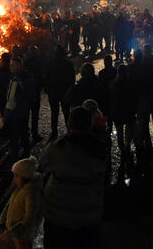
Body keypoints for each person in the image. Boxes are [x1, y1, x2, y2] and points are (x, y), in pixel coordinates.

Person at [40, 106, 107, 249]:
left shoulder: (58, 148)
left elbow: (43, 166)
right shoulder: (100, 149)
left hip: (58, 216)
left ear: (69, 124)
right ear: (90, 125)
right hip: (89, 215)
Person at [3, 56, 34, 160]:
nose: (10, 66)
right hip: (12, 110)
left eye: (12, 65)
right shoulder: (13, 76)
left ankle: (21, 156)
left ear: (19, 65)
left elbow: (28, 94)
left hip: (19, 111)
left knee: (21, 133)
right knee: (15, 134)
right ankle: (16, 154)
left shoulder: (25, 77)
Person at [44, 46, 76, 140]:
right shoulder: (68, 64)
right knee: (66, 113)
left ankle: (54, 132)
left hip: (54, 93)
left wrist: (48, 89)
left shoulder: (51, 64)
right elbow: (72, 79)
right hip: (64, 92)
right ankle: (69, 131)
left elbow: (46, 78)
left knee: (55, 113)